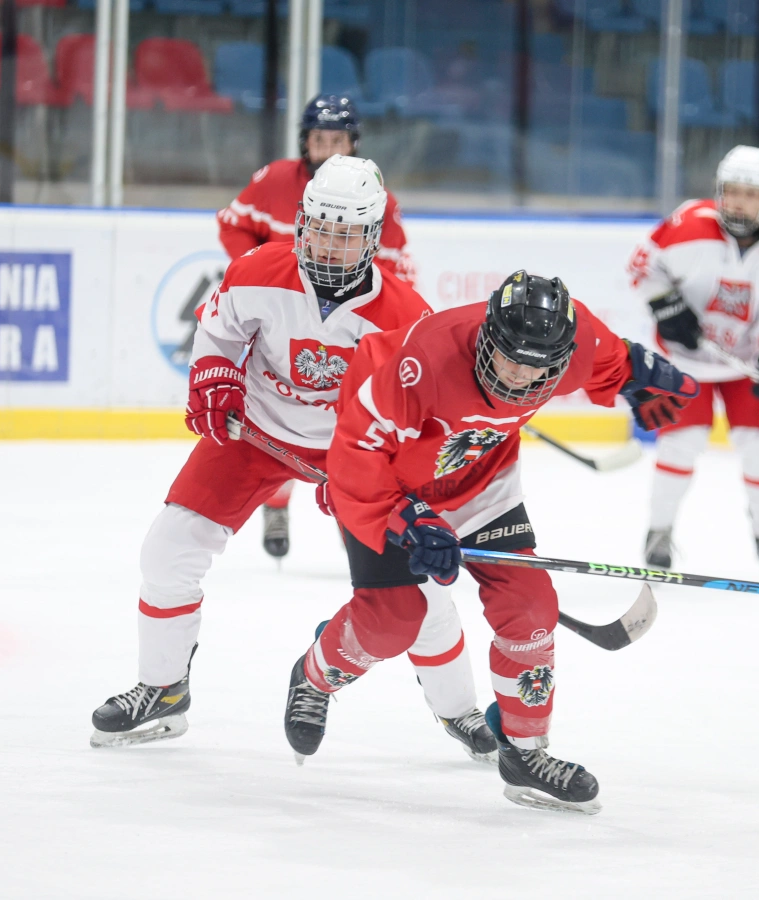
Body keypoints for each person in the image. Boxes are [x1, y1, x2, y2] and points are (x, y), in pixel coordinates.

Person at [91, 156, 496, 762]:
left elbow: (412, 421)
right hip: (255, 434)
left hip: (351, 455)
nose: (329, 245)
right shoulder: (258, 270)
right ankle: (164, 690)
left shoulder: (406, 319)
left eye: (347, 234)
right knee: (168, 551)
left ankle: (458, 709)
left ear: (373, 238)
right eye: (321, 228)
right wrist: (215, 374)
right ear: (303, 223)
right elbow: (219, 330)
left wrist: (375, 476)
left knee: (422, 591)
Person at [282, 270, 698, 815]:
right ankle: (315, 675)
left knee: (530, 608)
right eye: (509, 358)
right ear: (487, 338)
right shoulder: (418, 363)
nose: (521, 375)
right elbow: (356, 457)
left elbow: (614, 358)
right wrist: (410, 520)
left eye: (537, 366)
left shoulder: (572, 344)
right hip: (394, 487)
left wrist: (642, 377)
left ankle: (524, 754)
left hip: (482, 486)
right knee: (392, 621)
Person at [217, 94, 416, 562]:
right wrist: (262, 276)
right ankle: (277, 503)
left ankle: (355, 522)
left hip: (344, 327)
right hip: (279, 318)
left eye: (337, 141)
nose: (328, 150)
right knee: (275, 411)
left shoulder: (375, 200)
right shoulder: (275, 180)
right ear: (304, 142)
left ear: (354, 144)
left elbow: (395, 275)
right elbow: (233, 225)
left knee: (348, 425)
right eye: (319, 140)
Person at [627, 145, 759, 582]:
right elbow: (641, 267)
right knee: (681, 442)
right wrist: (665, 304)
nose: (738, 203)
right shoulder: (689, 223)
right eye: (731, 191)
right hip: (684, 360)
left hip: (744, 363)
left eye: (751, 194)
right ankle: (659, 532)